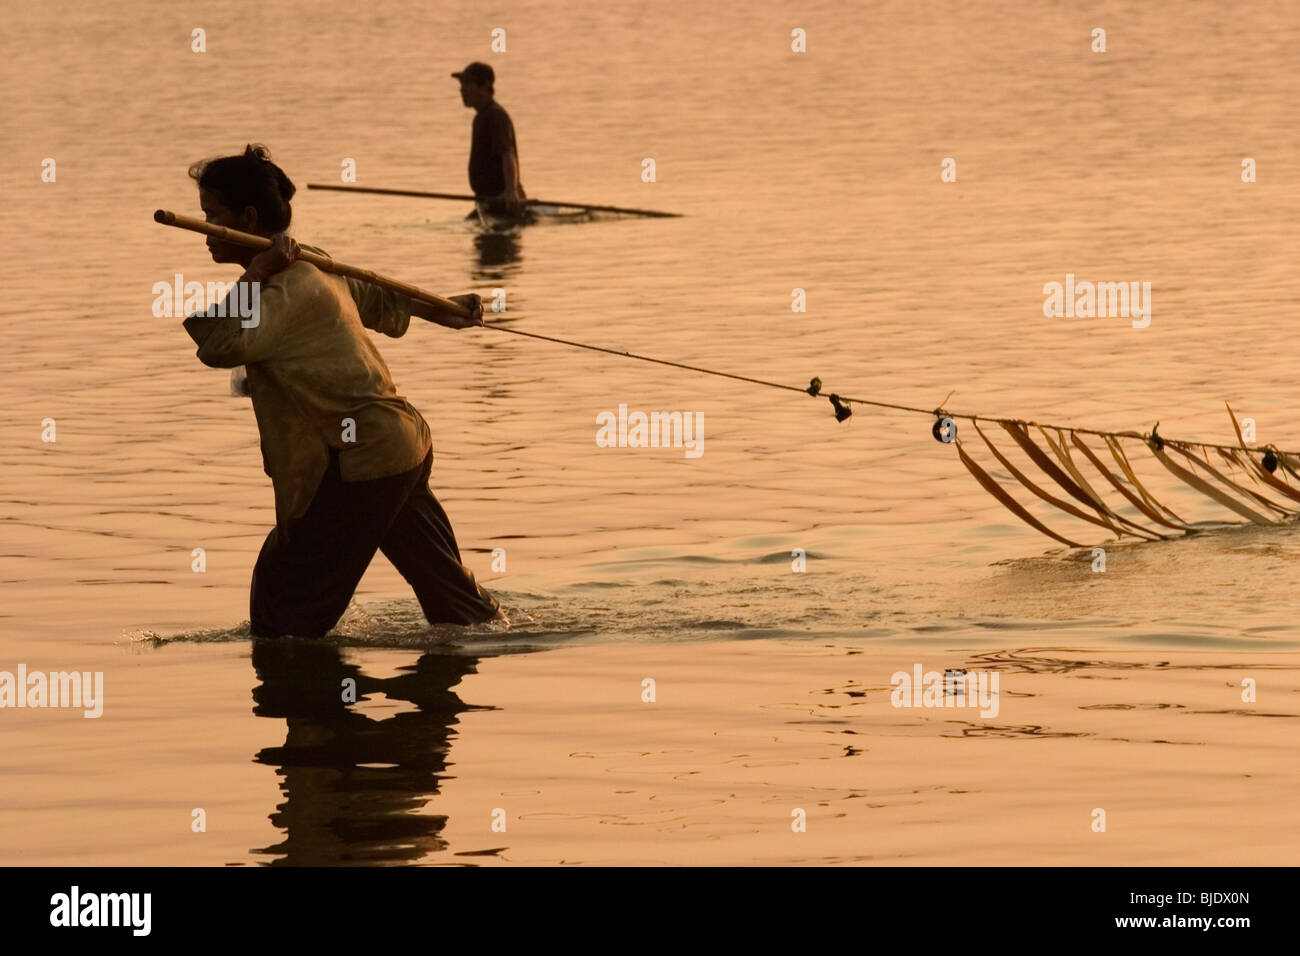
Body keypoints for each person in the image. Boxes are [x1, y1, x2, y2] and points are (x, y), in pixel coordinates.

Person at [181, 144, 502, 637]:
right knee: (456, 603)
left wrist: (257, 272)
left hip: (364, 458)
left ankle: (315, 701)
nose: (203, 232)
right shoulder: (311, 269)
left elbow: (221, 345)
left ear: (246, 217)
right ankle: (481, 659)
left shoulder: (283, 288)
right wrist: (438, 310)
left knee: (282, 606)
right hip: (400, 444)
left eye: (212, 217)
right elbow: (370, 295)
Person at [452, 62, 527, 216]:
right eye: (461, 85)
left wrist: (511, 192)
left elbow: (507, 154)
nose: (462, 90)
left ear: (485, 86)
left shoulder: (496, 116)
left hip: (504, 202)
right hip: (489, 202)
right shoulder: (481, 117)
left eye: (467, 84)